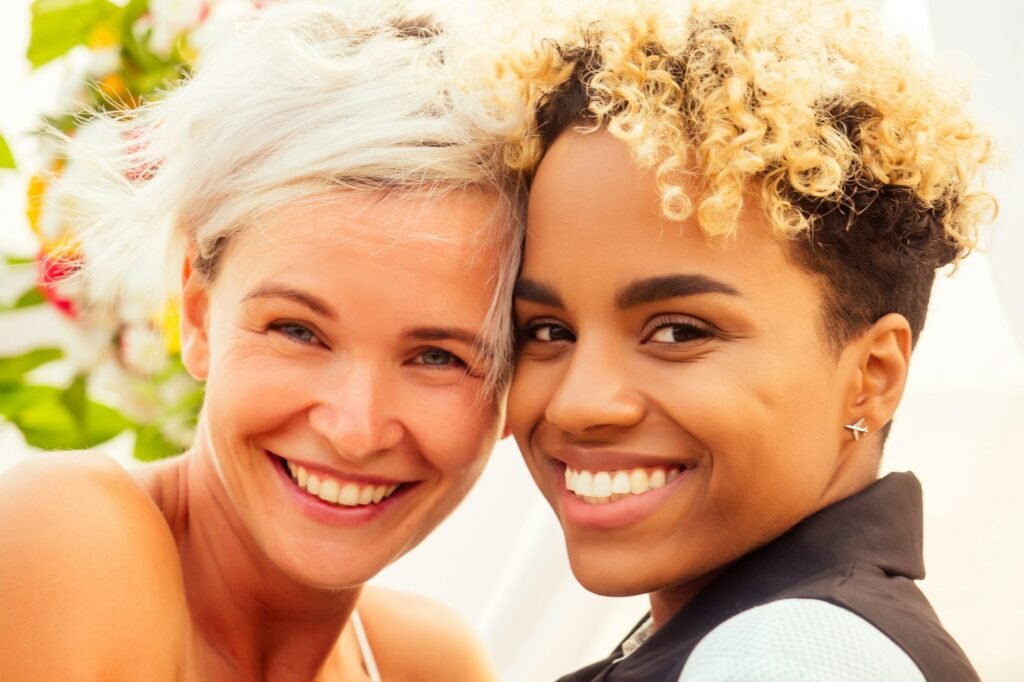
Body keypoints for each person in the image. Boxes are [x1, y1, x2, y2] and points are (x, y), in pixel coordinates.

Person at [0, 4, 521, 680]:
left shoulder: (430, 663)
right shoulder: (64, 531)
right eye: (298, 331)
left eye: (437, 357)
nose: (355, 431)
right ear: (195, 312)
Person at [501, 0, 995, 679]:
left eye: (677, 332)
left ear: (872, 375)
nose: (576, 405)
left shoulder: (792, 656)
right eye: (548, 331)